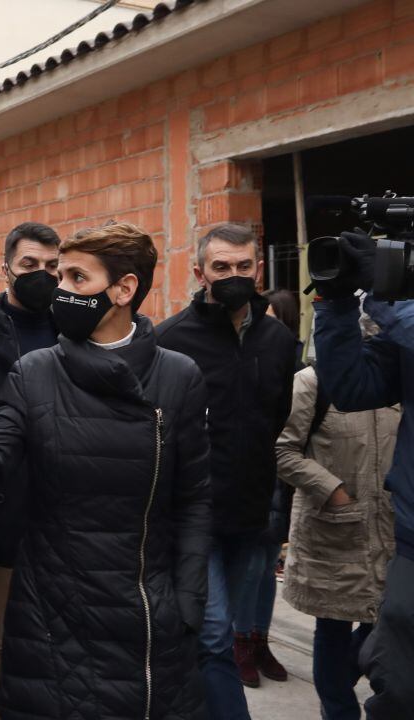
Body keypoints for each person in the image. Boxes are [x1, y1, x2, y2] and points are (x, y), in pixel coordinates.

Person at [0, 221, 211, 719]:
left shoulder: (179, 377)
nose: (59, 289)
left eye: (74, 277)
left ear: (124, 289)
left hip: (146, 615)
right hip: (50, 613)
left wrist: (190, 604)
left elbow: (195, 499)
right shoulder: (36, 372)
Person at [156, 223, 296, 720]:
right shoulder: (170, 341)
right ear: (200, 273)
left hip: (253, 518)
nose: (233, 275)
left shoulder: (279, 339)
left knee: (219, 632)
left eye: (243, 266)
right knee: (215, 633)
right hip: (195, 518)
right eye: (221, 267)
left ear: (258, 270)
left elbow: (281, 417)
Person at [311, 228, 414, 720]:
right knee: (396, 688)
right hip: (413, 542)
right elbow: (354, 386)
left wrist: (387, 293)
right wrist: (335, 304)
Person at [276, 314, 400, 720]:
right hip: (334, 531)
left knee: (385, 626)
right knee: (331, 632)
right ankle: (339, 712)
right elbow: (282, 450)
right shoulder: (312, 382)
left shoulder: (398, 380)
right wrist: (333, 490)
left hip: (393, 531)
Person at [0, 221, 60, 719]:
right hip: (0, 513)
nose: (41, 275)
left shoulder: (77, 331)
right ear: (6, 270)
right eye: (29, 265)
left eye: (51, 267)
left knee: (61, 641)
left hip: (65, 517)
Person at [229, 288, 303, 688]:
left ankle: (258, 639)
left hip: (277, 476)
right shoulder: (246, 357)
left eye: (271, 316)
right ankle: (240, 641)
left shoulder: (291, 365)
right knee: (251, 566)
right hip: (251, 475)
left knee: (265, 563)